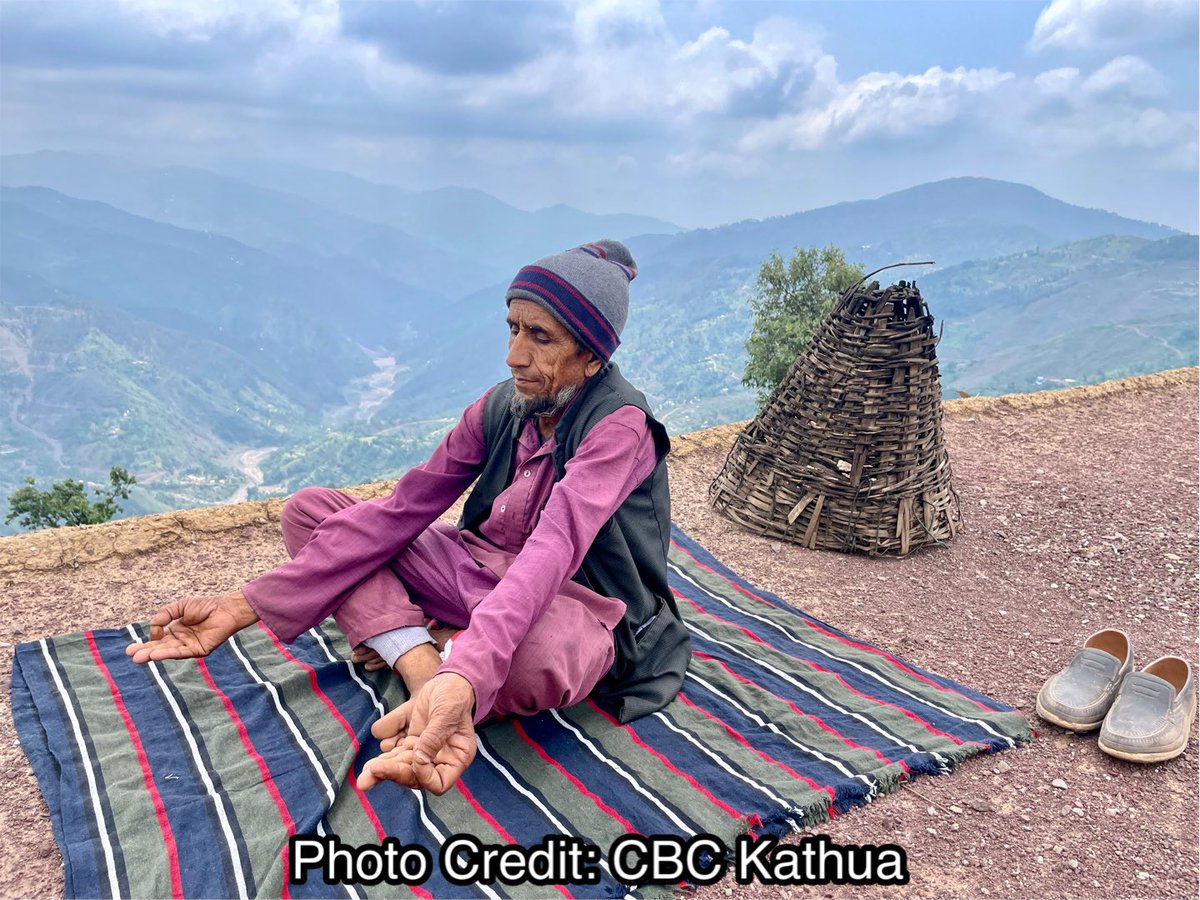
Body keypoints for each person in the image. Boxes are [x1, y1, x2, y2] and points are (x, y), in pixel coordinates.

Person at [126, 239, 690, 796]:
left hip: (572, 600)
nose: (514, 355)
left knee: (536, 658)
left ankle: (427, 650)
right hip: (473, 569)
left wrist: (469, 669)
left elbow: (551, 553)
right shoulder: (502, 404)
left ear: (592, 356)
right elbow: (403, 509)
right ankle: (427, 667)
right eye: (514, 328)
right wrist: (244, 604)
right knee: (314, 513)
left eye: (540, 337)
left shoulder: (618, 428)